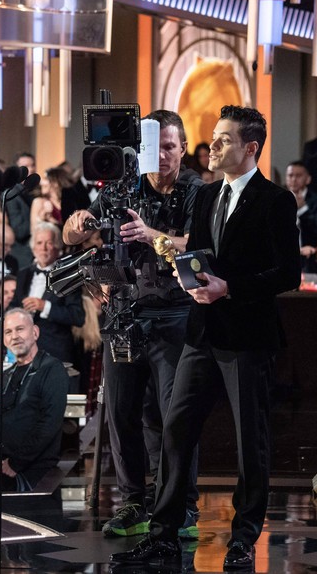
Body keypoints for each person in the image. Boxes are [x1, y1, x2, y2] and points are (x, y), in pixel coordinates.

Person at [112, 105, 300, 570]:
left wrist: (229, 287)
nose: (211, 146)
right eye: (213, 137)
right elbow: (198, 251)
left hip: (247, 336)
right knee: (176, 430)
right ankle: (163, 534)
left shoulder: (275, 200)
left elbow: (288, 274)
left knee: (249, 441)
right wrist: (190, 276)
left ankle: (243, 538)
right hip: (201, 332)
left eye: (223, 139)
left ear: (249, 148)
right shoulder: (208, 195)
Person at [64, 109, 206, 538]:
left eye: (170, 146)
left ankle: (183, 507)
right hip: (123, 313)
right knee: (122, 412)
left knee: (173, 414)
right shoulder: (124, 185)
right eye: (154, 146)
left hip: (175, 313)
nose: (162, 155)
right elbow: (78, 234)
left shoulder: (195, 190)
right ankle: (133, 504)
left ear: (182, 148)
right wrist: (74, 228)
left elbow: (200, 245)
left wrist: (152, 236)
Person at [0, 308, 68, 491]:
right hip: (1, 470)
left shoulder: (53, 369)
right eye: (8, 332)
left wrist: (15, 463)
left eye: (20, 329)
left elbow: (49, 424)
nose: (14, 336)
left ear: (35, 332)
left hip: (35, 476)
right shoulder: (5, 376)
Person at [10, 222, 85, 365]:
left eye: (49, 243)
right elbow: (13, 306)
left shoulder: (68, 276)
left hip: (56, 352)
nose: (43, 248)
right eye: (39, 243)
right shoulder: (23, 274)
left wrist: (45, 306)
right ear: (33, 248)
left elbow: (78, 316)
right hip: (24, 352)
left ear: (57, 248)